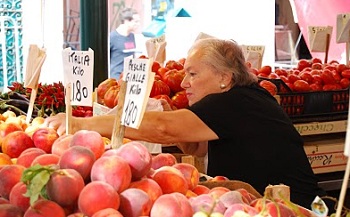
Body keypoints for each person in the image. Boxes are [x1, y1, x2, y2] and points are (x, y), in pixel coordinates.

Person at [44, 38, 333, 210]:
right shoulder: (242, 100)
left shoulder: (236, 102)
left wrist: (83, 125)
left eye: (193, 74)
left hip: (291, 209)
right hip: (255, 203)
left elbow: (162, 129)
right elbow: (197, 148)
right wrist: (175, 120)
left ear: (224, 77)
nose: (184, 83)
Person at [109, 8, 140, 79]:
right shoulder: (112, 37)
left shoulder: (132, 36)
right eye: (136, 21)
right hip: (116, 78)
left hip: (129, 77)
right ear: (127, 21)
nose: (138, 24)